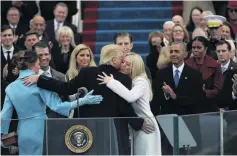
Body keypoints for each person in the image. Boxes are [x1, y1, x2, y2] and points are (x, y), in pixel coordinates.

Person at [23, 44, 153, 155]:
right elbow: (124, 108)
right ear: (114, 60)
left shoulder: (87, 72)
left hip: (87, 130)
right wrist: (139, 123)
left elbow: (65, 88)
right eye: (121, 59)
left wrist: (40, 79)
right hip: (112, 132)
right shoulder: (124, 79)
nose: (123, 62)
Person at [0, 50, 103, 155]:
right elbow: (57, 106)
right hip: (41, 129)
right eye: (37, 64)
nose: (39, 67)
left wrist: (2, 135)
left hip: (23, 131)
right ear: (32, 66)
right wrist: (83, 101)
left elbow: (4, 115)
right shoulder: (39, 84)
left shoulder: (10, 88)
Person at [97, 52, 161, 155]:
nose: (123, 65)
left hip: (146, 125)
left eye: (128, 64)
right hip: (138, 124)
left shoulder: (140, 81)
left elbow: (130, 97)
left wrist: (111, 82)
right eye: (123, 62)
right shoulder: (131, 80)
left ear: (135, 67)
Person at [186, 36, 222, 112]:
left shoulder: (215, 65)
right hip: (189, 108)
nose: (195, 50)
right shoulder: (186, 64)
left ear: (205, 49)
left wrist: (204, 92)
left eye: (199, 47)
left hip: (209, 107)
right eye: (193, 47)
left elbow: (217, 91)